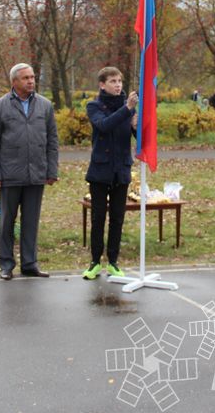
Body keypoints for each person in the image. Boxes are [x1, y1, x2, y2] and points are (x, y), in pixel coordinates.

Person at [0, 63, 59, 280]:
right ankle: (6, 264)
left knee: (31, 221)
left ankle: (29, 263)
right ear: (14, 82)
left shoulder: (45, 106)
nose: (31, 81)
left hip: (36, 173)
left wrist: (51, 169)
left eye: (32, 77)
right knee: (7, 221)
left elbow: (52, 141)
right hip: (9, 175)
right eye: (26, 78)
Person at [82, 67, 138, 280]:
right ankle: (95, 261)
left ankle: (113, 261)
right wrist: (127, 110)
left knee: (117, 218)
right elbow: (103, 126)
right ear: (102, 84)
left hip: (121, 169)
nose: (118, 85)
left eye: (120, 81)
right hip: (100, 170)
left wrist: (136, 126)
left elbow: (135, 136)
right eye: (113, 81)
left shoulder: (129, 108)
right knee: (98, 218)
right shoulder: (94, 105)